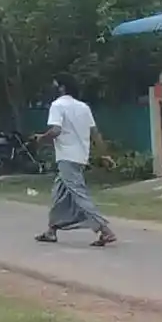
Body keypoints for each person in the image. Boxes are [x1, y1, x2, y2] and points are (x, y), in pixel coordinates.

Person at [36, 77, 117, 247]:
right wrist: (105, 154)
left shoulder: (57, 105)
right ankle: (51, 230)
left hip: (67, 157)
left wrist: (41, 138)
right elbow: (95, 133)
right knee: (58, 193)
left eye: (56, 85)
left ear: (63, 88)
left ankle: (105, 230)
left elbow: (56, 130)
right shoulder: (83, 107)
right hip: (80, 157)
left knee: (79, 194)